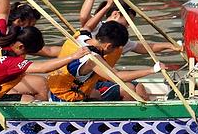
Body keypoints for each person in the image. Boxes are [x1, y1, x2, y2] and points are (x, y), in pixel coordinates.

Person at [47, 21, 175, 102]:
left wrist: (107, 4)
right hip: (65, 99)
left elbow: (87, 25)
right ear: (109, 46)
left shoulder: (81, 36)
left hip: (56, 89)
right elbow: (117, 77)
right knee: (126, 91)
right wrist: (152, 70)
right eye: (116, 49)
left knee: (97, 93)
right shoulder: (93, 58)